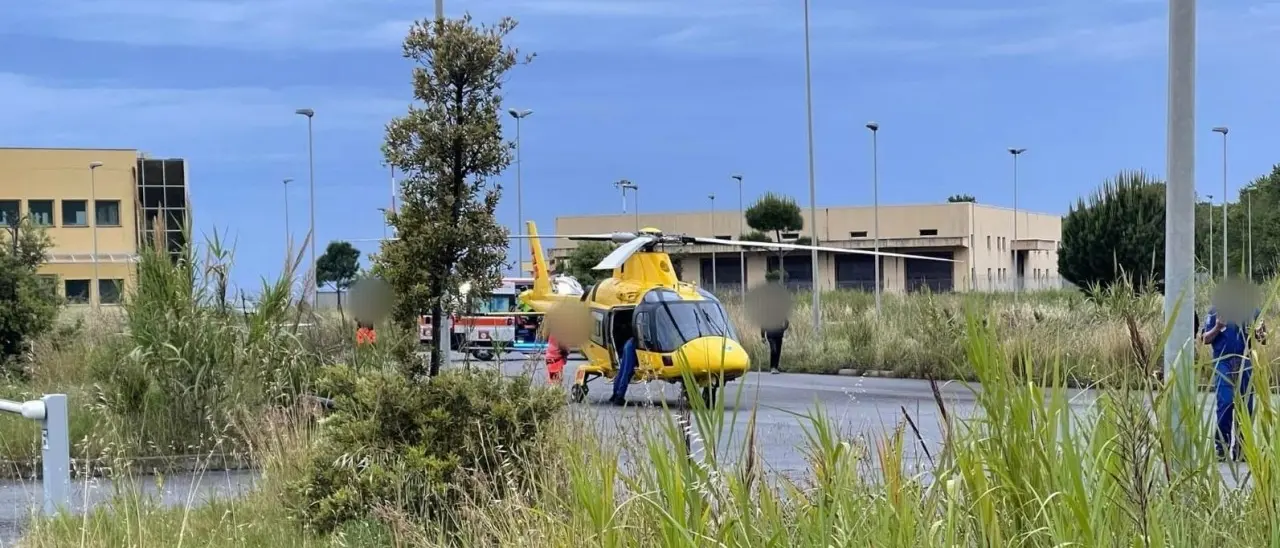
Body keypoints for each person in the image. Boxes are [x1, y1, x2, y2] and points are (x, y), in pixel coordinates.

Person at [1202, 303, 1265, 460]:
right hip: (1223, 361)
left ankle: (1242, 449)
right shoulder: (1216, 310)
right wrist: (1217, 327)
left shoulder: (1253, 311)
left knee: (1245, 406)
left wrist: (1259, 333)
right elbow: (1205, 339)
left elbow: (1263, 339)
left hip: (1245, 360)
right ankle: (1222, 447)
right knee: (1225, 402)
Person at [609, 336, 638, 406]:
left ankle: (615, 394)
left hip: (628, 343)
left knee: (622, 371)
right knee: (627, 372)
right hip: (632, 345)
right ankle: (619, 396)